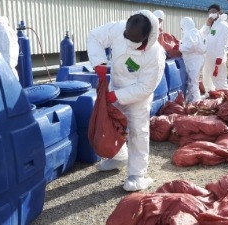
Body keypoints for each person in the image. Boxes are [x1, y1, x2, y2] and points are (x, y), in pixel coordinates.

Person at [87, 10, 165, 192]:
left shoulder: (156, 54)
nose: (129, 43)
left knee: (138, 131)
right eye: (127, 37)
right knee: (112, 125)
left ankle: (138, 174)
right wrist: (98, 62)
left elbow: (146, 87)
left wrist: (118, 96)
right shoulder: (117, 28)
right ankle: (119, 156)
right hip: (116, 84)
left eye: (135, 41)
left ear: (146, 38)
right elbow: (94, 37)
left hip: (138, 96)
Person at [200, 3, 228, 95]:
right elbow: (202, 35)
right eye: (210, 12)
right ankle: (210, 94)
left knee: (219, 78)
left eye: (214, 11)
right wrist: (207, 25)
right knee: (206, 77)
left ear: (219, 12)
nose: (211, 13)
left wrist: (219, 57)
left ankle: (224, 97)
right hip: (208, 56)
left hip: (216, 57)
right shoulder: (211, 24)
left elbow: (222, 43)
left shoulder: (223, 25)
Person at [177, 17, 206, 103]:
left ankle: (195, 101)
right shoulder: (194, 32)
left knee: (193, 81)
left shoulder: (190, 32)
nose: (182, 28)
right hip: (196, 60)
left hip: (193, 60)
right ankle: (191, 99)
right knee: (192, 80)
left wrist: (180, 47)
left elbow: (191, 46)